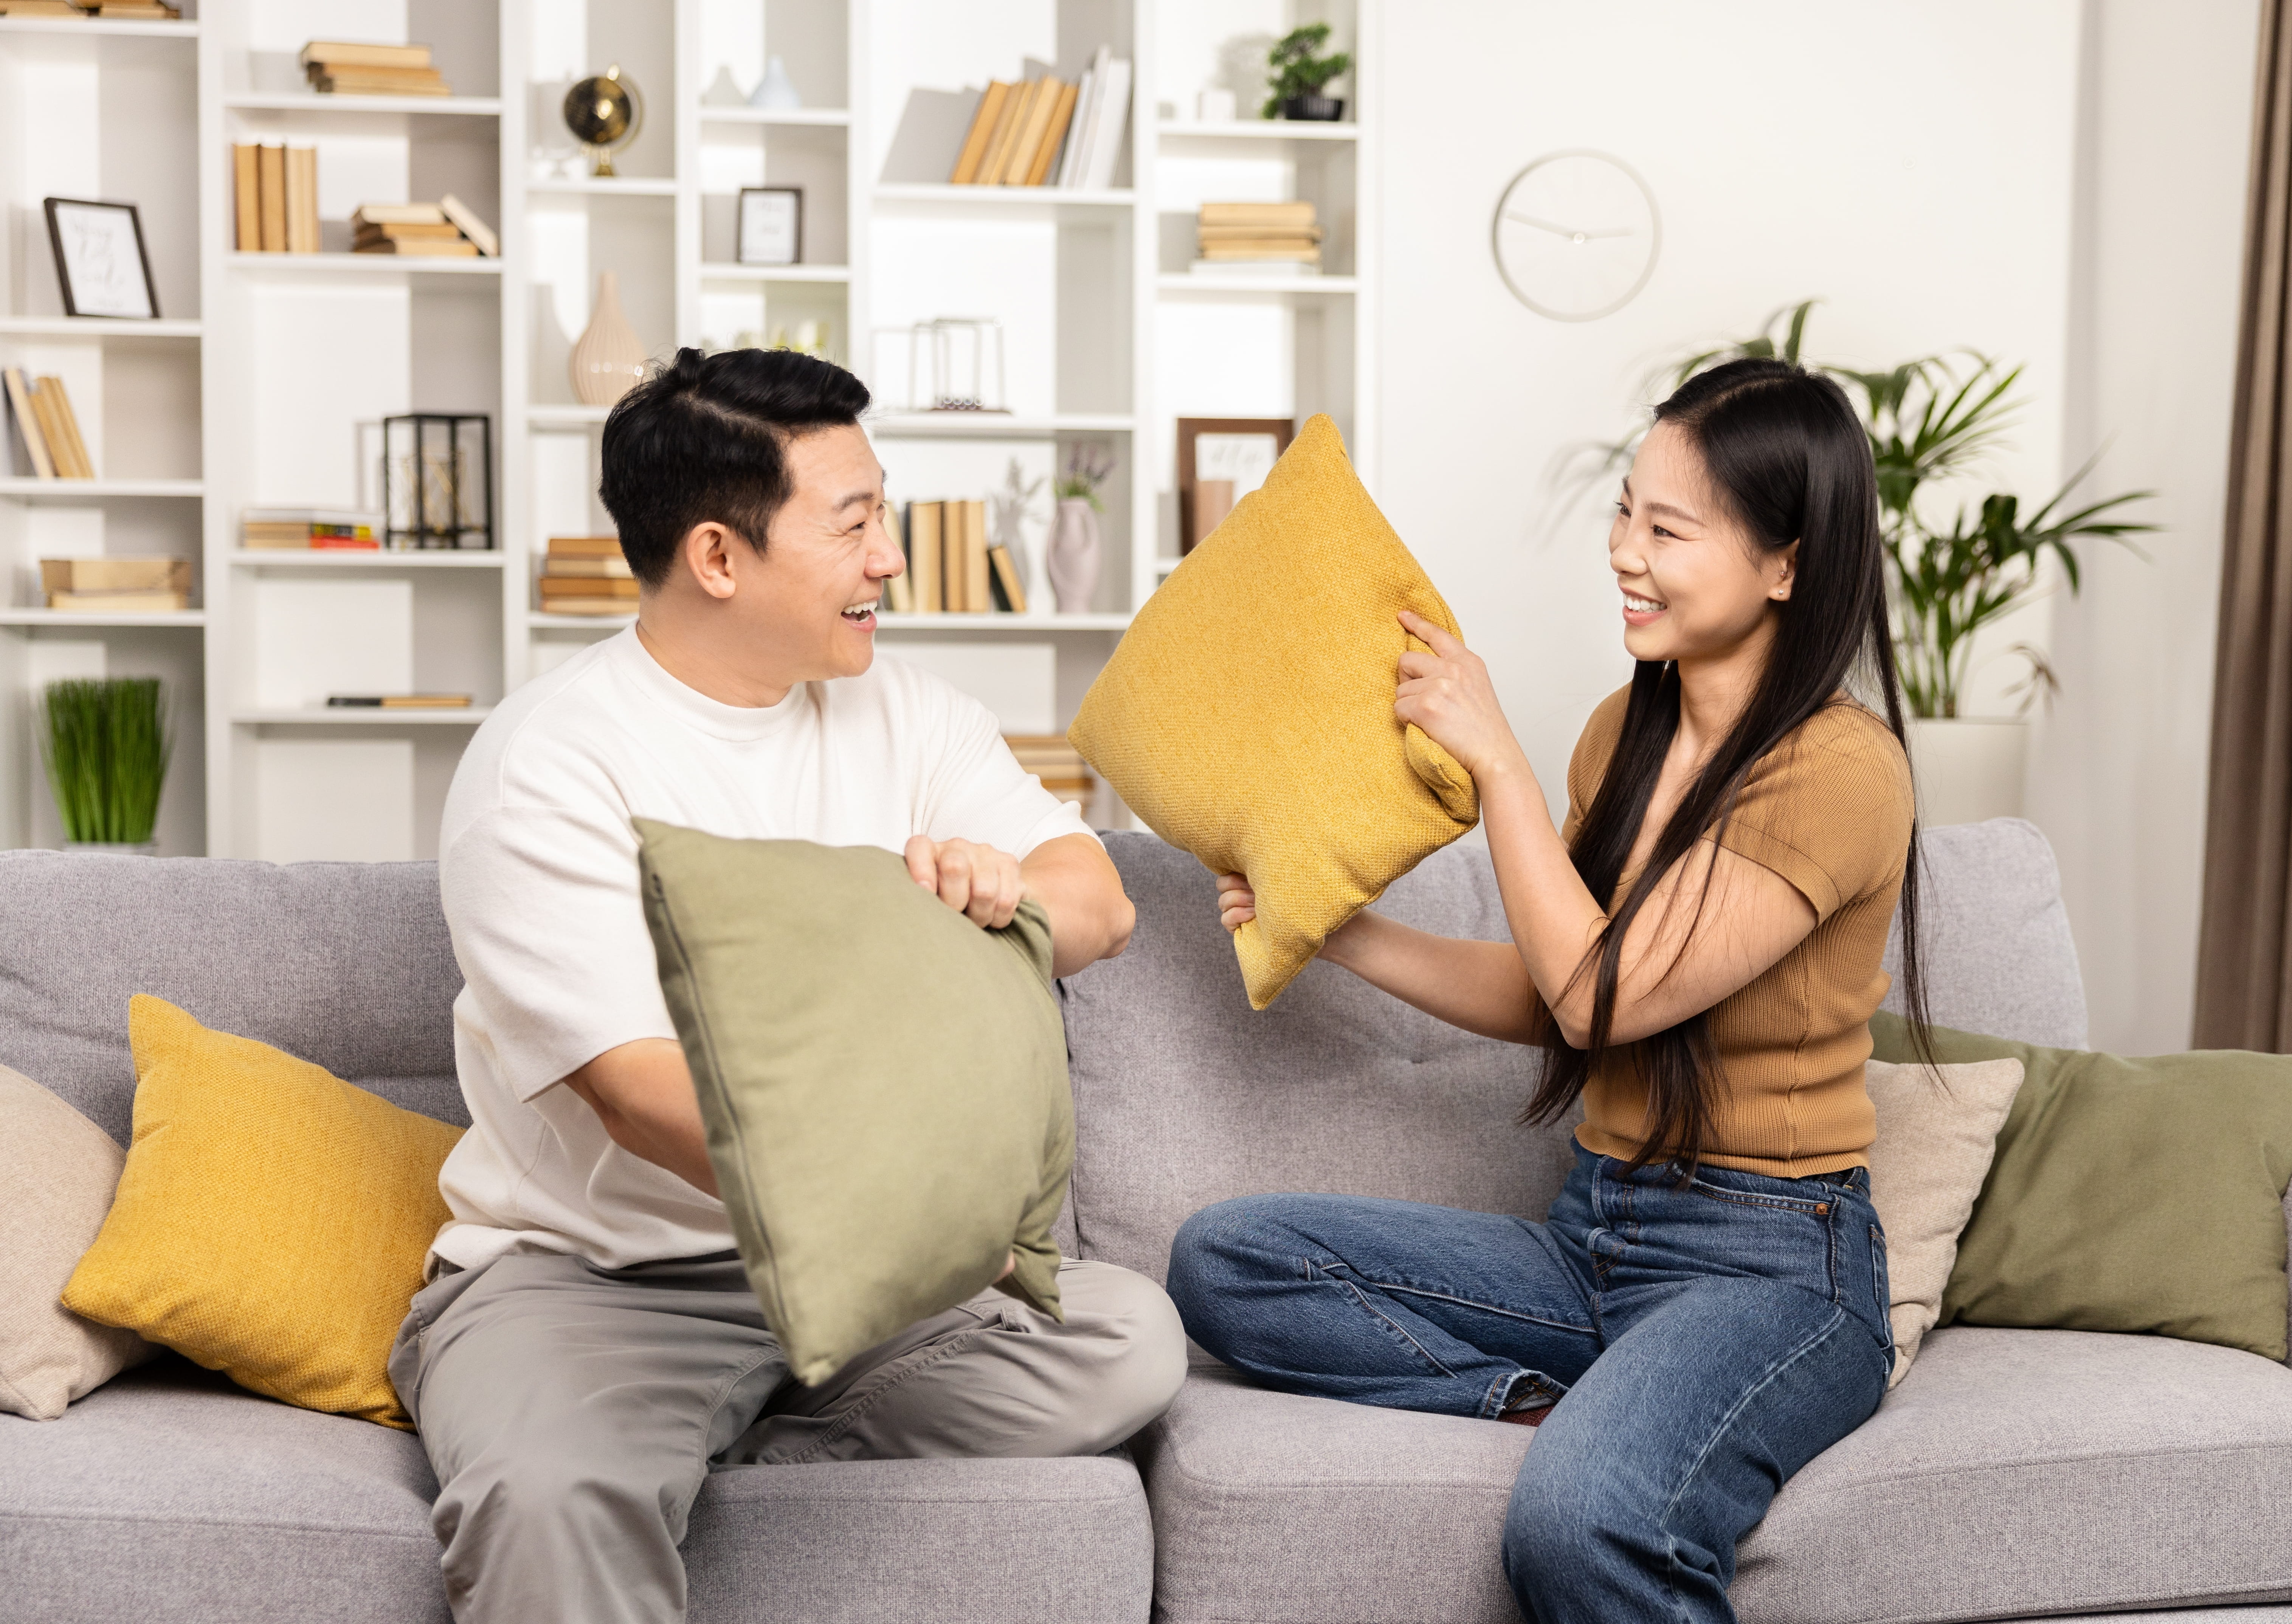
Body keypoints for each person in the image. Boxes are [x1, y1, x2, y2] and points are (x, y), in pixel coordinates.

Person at [391, 347, 1186, 1624]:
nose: (890, 558)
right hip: (605, 1281)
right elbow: (641, 1096)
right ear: (718, 556)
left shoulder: (906, 713)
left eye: (886, 513)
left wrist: (1004, 898)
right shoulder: (547, 765)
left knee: (1124, 1338)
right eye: (855, 522)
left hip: (872, 1285)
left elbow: (1102, 900)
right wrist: (900, 1197)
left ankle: (719, 1447)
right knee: (546, 1497)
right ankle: (634, 1437)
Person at [1166, 357, 1930, 1624]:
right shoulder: (1619, 735)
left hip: (1772, 1270)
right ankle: (1559, 1400)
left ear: (1784, 564)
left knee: (1581, 1523)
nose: (1625, 551)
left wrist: (1497, 763)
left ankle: (1617, 1424)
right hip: (1596, 1239)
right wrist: (1341, 934)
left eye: (1667, 529)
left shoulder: (1840, 771)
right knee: (1230, 1259)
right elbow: (1547, 988)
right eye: (1625, 511)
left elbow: (1602, 1002)